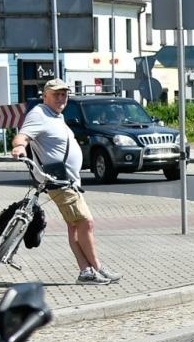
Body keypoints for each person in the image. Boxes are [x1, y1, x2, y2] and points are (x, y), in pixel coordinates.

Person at [11, 79, 120, 284]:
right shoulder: (39, 114)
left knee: (75, 226)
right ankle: (97, 268)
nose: (61, 98)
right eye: (56, 94)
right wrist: (18, 147)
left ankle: (86, 271)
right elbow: (23, 136)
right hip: (58, 180)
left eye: (64, 94)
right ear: (45, 96)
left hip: (69, 180)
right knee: (85, 222)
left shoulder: (55, 116)